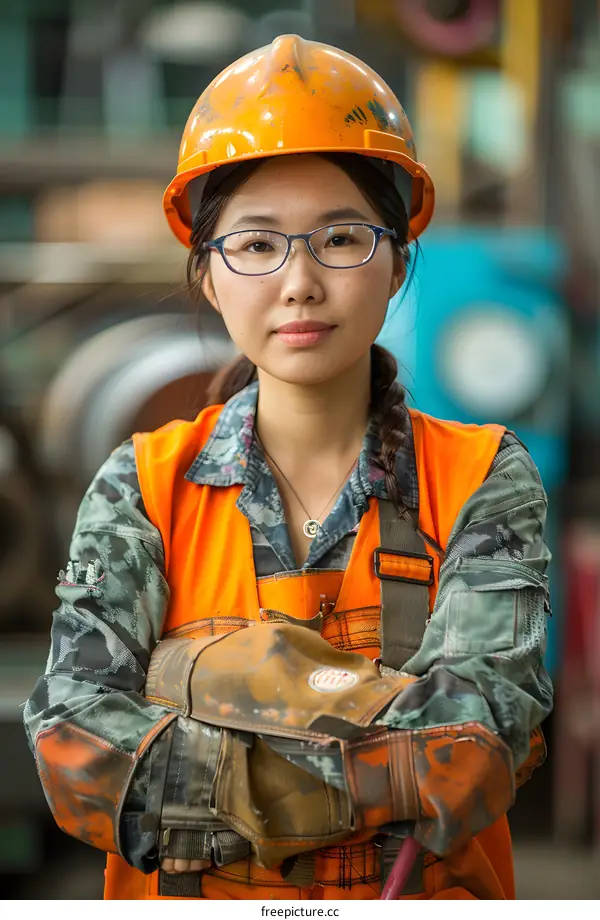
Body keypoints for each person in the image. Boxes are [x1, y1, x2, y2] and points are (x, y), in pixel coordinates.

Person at [24, 35, 553, 901]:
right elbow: (74, 746)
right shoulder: (145, 485)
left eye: (341, 238)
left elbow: (473, 748)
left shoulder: (484, 477)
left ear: (397, 264)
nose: (300, 282)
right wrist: (386, 748)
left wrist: (188, 718)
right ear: (208, 275)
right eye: (257, 245)